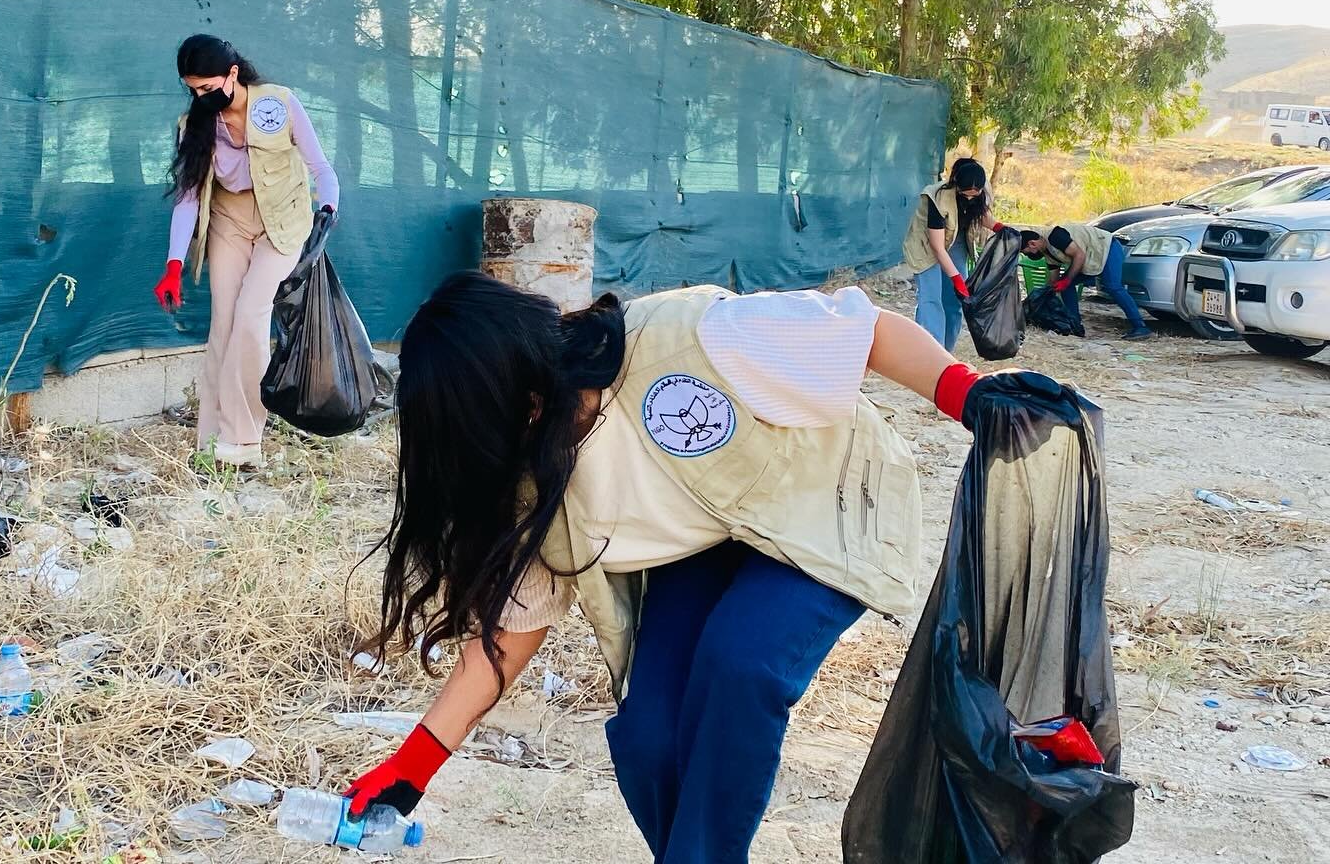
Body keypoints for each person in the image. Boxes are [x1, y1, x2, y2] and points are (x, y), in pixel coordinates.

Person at [340, 271, 1023, 863]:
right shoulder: (531, 478)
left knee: (741, 663)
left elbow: (863, 330)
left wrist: (966, 393)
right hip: (701, 543)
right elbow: (511, 633)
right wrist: (413, 766)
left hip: (818, 508)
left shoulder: (686, 337)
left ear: (524, 399)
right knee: (647, 737)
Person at [151, 35, 340, 467]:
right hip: (229, 221)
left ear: (232, 73)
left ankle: (243, 441)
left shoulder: (278, 103)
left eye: (207, 87)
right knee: (223, 325)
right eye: (193, 90)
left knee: (252, 316)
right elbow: (187, 199)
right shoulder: (194, 125)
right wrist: (173, 264)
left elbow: (320, 167)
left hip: (281, 220)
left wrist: (328, 208)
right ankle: (210, 441)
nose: (201, 97)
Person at [901, 157, 1000, 352]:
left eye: (974, 196)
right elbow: (937, 247)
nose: (969, 199)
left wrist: (1000, 228)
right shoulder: (937, 197)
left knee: (955, 301)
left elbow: (982, 215)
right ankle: (931, 352)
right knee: (931, 299)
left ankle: (946, 353)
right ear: (956, 185)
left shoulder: (981, 193)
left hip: (956, 240)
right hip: (926, 245)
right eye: (965, 195)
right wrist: (955, 278)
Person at [1022, 223, 1151, 340]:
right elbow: (1053, 279)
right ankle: (1075, 325)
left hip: (1107, 248)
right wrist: (1043, 296)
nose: (1028, 255)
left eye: (1026, 253)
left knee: (1113, 286)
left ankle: (1140, 327)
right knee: (1066, 287)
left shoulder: (1055, 237)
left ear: (1032, 244)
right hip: (1090, 258)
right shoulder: (1046, 251)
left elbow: (1079, 255)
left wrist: (1067, 279)